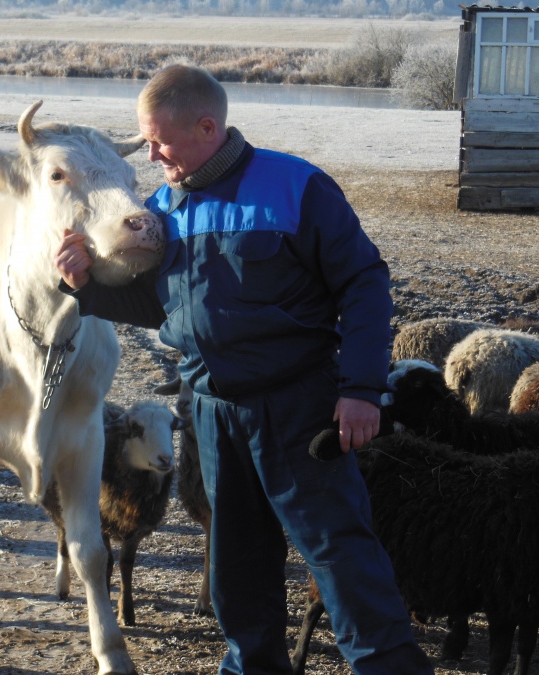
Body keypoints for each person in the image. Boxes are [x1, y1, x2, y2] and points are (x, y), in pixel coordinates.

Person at [55, 63, 433, 675]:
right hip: (209, 412)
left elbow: (365, 284)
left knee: (341, 558)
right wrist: (84, 288)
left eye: (160, 141)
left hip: (298, 408)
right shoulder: (164, 208)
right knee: (235, 567)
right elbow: (160, 304)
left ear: (207, 126)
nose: (151, 155)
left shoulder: (296, 187)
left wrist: (361, 389)